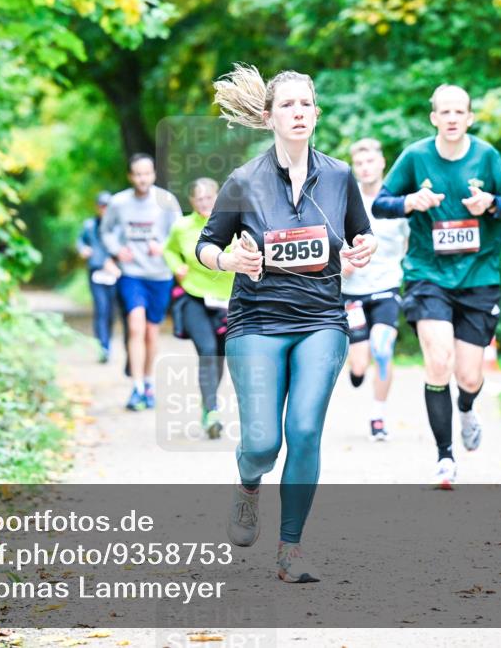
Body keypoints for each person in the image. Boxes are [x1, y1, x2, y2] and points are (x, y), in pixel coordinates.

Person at [196, 64, 377, 582]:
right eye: (287, 105)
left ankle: (290, 549)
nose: (298, 113)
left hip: (321, 318)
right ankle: (248, 483)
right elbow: (205, 245)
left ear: (316, 113)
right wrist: (228, 260)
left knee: (303, 430)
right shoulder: (243, 181)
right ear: (269, 116)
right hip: (256, 319)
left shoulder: (339, 176)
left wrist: (364, 247)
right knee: (261, 445)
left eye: (305, 104)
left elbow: (361, 234)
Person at [372, 84, 501, 489]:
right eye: (445, 112)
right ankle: (444, 457)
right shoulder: (416, 156)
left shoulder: (487, 156)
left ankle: (467, 407)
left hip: (478, 277)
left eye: (459, 112)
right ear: (434, 117)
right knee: (439, 362)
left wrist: (490, 203)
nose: (452, 118)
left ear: (469, 118)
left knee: (469, 377)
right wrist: (409, 202)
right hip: (428, 274)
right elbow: (380, 204)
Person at [340, 138, 409, 442]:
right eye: (359, 164)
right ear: (354, 168)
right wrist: (342, 261)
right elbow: (331, 239)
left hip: (386, 287)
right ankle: (356, 370)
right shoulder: (345, 200)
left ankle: (378, 416)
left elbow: (409, 243)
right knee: (359, 363)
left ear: (382, 164)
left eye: (370, 162)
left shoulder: (396, 203)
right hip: (352, 292)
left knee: (382, 348)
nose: (366, 168)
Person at [101, 153, 182, 411]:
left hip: (159, 275)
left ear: (154, 174)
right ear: (130, 176)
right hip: (131, 273)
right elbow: (106, 231)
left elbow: (180, 234)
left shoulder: (166, 201)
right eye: (137, 174)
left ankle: (148, 382)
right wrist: (116, 250)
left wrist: (164, 247)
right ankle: (136, 387)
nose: (142, 179)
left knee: (150, 332)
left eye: (146, 173)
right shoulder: (118, 202)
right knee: (135, 326)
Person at [163, 177, 234, 439]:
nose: (204, 203)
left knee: (219, 355)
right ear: (192, 201)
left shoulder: (233, 224)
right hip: (194, 296)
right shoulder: (182, 227)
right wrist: (177, 267)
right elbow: (169, 250)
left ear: (218, 198)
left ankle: (208, 404)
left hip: (227, 300)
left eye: (209, 198)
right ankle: (213, 410)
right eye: (199, 199)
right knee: (206, 349)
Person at [77, 191, 121, 363]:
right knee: (101, 309)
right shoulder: (89, 225)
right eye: (102, 206)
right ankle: (103, 347)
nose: (105, 209)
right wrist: (83, 249)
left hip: (114, 274)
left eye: (108, 206)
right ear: (97, 207)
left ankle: (107, 342)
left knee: (111, 312)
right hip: (96, 273)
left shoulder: (118, 227)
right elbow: (81, 241)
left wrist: (113, 261)